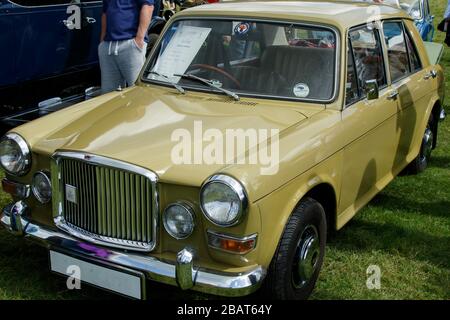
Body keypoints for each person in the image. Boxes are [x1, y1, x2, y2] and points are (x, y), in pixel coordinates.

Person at [99, 0, 155, 94]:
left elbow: (148, 6)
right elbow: (105, 12)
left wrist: (139, 39)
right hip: (108, 46)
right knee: (108, 95)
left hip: (130, 45)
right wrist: (102, 40)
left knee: (138, 93)